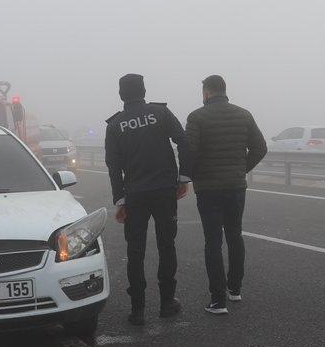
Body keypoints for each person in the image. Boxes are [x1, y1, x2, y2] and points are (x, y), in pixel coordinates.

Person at [105, 74, 194, 325]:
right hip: (165, 190)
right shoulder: (160, 113)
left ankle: (138, 310)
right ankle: (167, 302)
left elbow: (113, 165)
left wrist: (120, 200)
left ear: (121, 95)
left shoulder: (115, 125)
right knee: (167, 245)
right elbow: (183, 141)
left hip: (135, 195)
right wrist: (184, 177)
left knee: (135, 251)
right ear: (144, 91)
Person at [185, 75, 267, 316]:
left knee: (212, 241)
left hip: (208, 189)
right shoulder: (244, 115)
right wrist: (241, 169)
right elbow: (260, 148)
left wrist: (189, 177)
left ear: (206, 92)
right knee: (234, 235)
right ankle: (235, 289)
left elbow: (189, 152)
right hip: (235, 187)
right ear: (224, 90)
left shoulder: (196, 117)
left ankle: (218, 300)